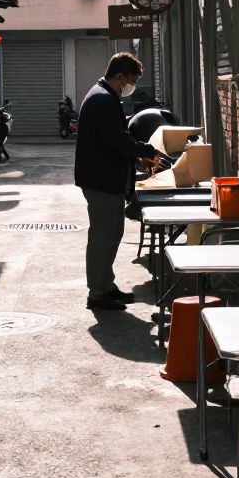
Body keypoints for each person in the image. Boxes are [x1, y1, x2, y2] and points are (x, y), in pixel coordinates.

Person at [74, 53, 158, 311]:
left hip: (106, 178)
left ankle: (106, 286)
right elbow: (117, 140)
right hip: (101, 180)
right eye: (130, 81)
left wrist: (136, 156)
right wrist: (146, 151)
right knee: (103, 237)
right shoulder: (102, 99)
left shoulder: (104, 96)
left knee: (112, 235)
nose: (130, 87)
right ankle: (98, 294)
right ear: (119, 76)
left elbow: (115, 138)